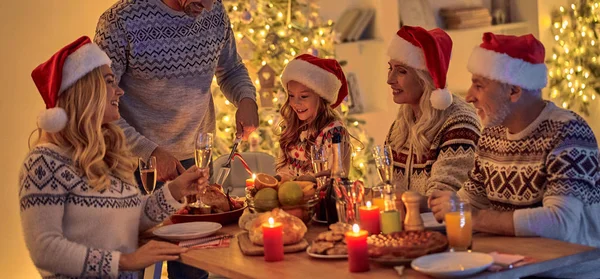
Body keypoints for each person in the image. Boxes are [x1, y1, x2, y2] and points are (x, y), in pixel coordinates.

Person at [20, 36, 208, 278]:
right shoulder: (44, 162)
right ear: (86, 92)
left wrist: (174, 191)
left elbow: (129, 223)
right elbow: (45, 248)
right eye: (110, 82)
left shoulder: (109, 156)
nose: (119, 90)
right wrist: (125, 261)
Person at [429, 32, 600, 278]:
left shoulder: (568, 132)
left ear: (514, 91)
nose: (468, 96)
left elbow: (561, 223)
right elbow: (469, 201)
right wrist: (428, 206)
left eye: (479, 85)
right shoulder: (492, 134)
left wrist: (473, 217)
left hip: (567, 272)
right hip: (514, 267)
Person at [94, 0, 259, 186]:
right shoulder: (120, 20)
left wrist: (246, 99)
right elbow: (97, 103)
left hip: (198, 160)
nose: (209, 7)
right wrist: (149, 152)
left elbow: (231, 69)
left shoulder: (215, 11)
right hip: (136, 165)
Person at [384, 26, 481, 206]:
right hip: (407, 229)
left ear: (425, 77)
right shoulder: (402, 123)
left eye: (401, 71)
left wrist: (383, 199)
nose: (390, 79)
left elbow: (442, 200)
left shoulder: (460, 124)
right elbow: (388, 186)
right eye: (390, 68)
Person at [276, 54, 351, 179]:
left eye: (304, 96)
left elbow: (336, 177)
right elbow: (284, 173)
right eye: (291, 95)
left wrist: (308, 181)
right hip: (291, 197)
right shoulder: (290, 128)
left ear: (321, 98)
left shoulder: (334, 132)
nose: (295, 103)